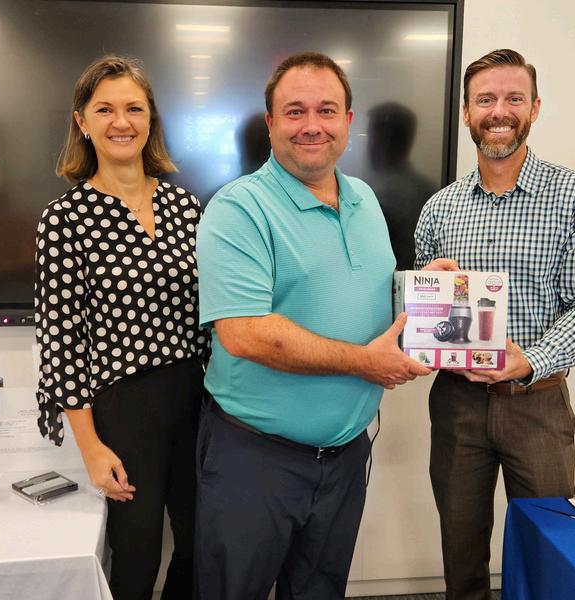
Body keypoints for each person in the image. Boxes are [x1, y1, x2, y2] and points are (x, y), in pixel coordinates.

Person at [196, 51, 454, 600]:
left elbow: (362, 291)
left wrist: (421, 290)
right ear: (271, 123)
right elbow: (244, 333)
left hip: (344, 457)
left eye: (327, 110)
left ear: (348, 121)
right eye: (295, 111)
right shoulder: (238, 209)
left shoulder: (363, 198)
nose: (312, 125)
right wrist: (365, 363)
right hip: (255, 461)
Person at [414, 49, 575, 600]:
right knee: (461, 553)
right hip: (456, 403)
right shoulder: (439, 208)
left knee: (551, 548)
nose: (498, 111)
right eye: (485, 99)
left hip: (538, 404)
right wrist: (420, 299)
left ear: (535, 108)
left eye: (513, 98)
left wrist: (529, 360)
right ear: (466, 112)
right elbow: (423, 312)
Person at [34, 55, 207, 600]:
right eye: (104, 109)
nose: (121, 122)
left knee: (201, 545)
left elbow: (213, 312)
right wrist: (90, 448)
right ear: (81, 122)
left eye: (134, 108)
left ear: (150, 118)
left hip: (198, 398)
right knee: (136, 555)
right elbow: (60, 342)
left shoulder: (186, 206)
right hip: (125, 408)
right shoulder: (64, 220)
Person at [366, 101, 436, 270]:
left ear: (380, 140)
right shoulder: (430, 189)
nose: (368, 146)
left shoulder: (377, 194)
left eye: (370, 138)